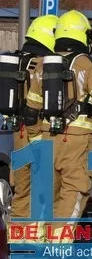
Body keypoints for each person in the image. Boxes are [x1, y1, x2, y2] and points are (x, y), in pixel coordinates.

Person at [24, 10, 92, 243]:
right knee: (74, 189)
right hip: (77, 139)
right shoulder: (86, 65)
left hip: (46, 138)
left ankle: (35, 238)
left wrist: (35, 139)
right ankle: (59, 241)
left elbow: (31, 110)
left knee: (46, 190)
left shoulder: (43, 65)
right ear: (83, 35)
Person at [6, 15, 58, 242]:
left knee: (22, 186)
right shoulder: (42, 64)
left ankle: (17, 235)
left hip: (18, 131)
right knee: (43, 184)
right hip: (39, 129)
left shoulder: (18, 60)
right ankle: (39, 234)